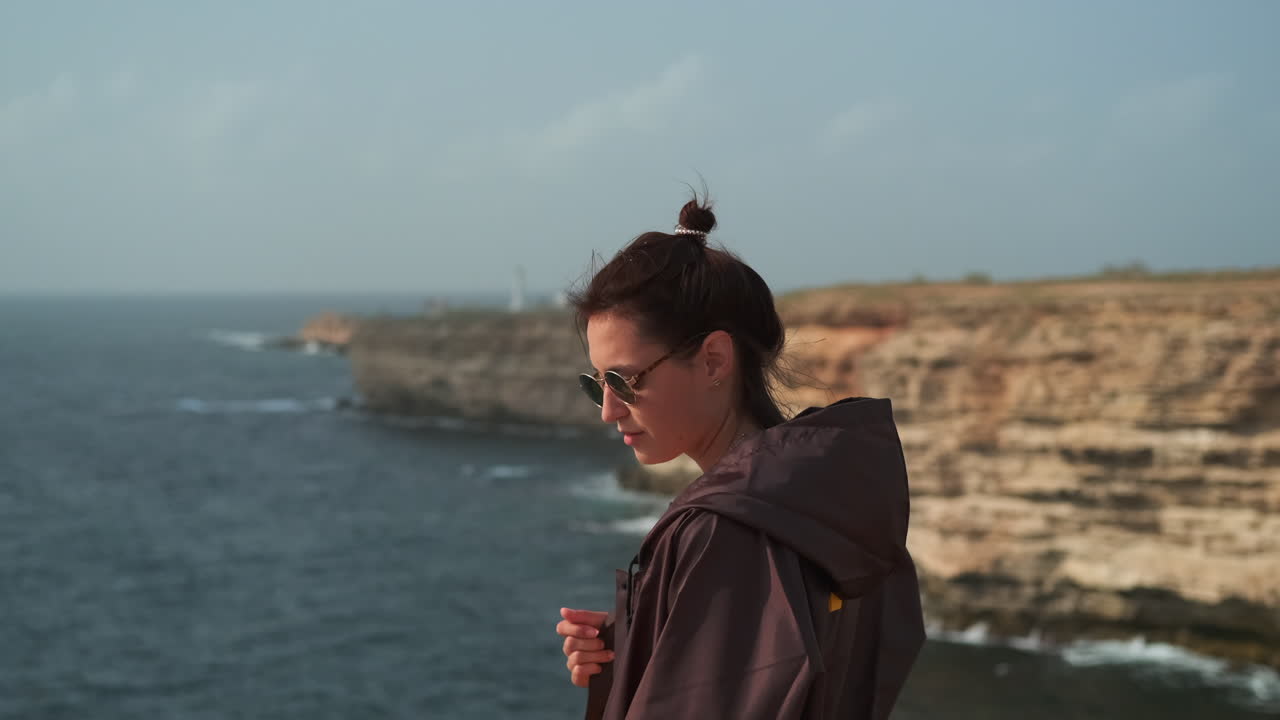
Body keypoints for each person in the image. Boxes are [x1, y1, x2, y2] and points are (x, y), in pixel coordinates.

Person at [555, 192, 924, 720]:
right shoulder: (822, 499)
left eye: (624, 381)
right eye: (597, 385)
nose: (608, 412)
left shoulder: (725, 531)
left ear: (713, 361)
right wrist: (639, 642)